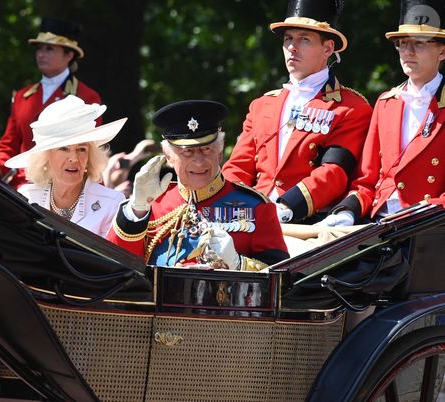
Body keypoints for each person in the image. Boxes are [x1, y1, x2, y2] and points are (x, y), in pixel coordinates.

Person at [222, 0, 373, 224]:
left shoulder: (350, 107)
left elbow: (334, 172)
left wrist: (286, 206)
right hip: (251, 216)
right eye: (288, 39)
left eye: (304, 39)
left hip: (306, 218)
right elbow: (238, 167)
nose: (292, 47)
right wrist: (227, 205)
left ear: (328, 48)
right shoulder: (262, 105)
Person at [107, 100, 289, 271]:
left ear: (219, 152)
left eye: (207, 149)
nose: (199, 161)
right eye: (187, 152)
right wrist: (136, 209)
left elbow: (282, 279)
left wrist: (239, 264)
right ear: (169, 157)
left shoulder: (255, 206)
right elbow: (115, 265)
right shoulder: (154, 202)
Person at [319, 0, 445, 227]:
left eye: (419, 43)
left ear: (442, 51)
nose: (408, 51)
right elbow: (366, 182)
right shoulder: (386, 103)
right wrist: (347, 212)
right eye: (402, 43)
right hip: (378, 224)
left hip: (430, 228)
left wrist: (424, 214)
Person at [0, 17, 102, 189]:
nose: (41, 54)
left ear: (69, 55)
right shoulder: (22, 96)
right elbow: (9, 144)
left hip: (68, 187)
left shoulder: (86, 96)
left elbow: (90, 150)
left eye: (49, 49)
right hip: (23, 186)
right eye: (39, 49)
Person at [5, 95, 126, 238]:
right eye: (64, 149)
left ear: (89, 157)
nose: (74, 158)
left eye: (82, 149)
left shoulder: (111, 203)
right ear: (45, 157)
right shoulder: (28, 198)